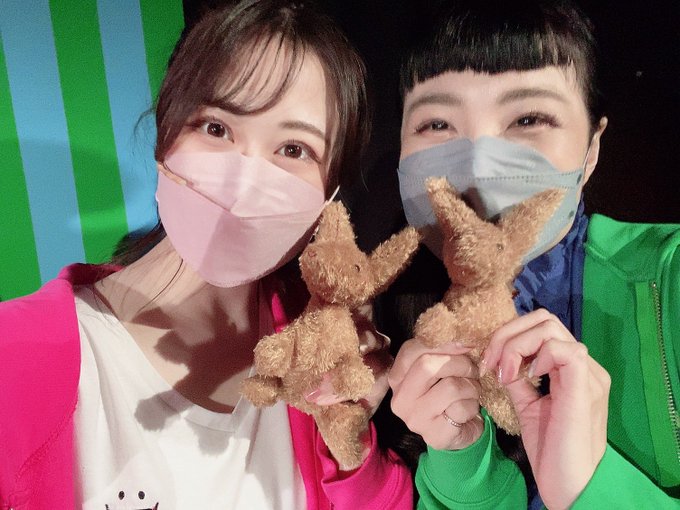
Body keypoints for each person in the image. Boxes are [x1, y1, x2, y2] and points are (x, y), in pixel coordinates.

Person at [0, 1, 413, 508]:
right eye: (217, 128)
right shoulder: (15, 357)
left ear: (329, 197)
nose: (245, 178)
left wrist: (349, 445)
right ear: (166, 134)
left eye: (294, 149)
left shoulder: (316, 360)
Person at [383, 0, 680, 508]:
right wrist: (461, 461)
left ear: (591, 150)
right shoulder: (382, 321)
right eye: (436, 124)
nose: (478, 165)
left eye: (528, 117)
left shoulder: (668, 276)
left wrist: (594, 490)